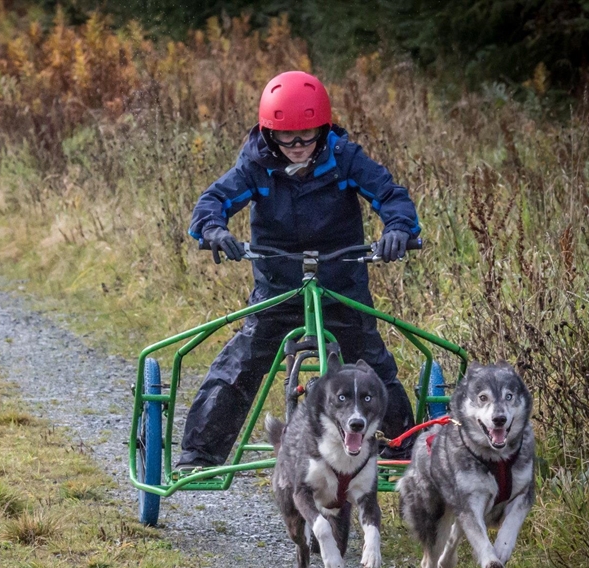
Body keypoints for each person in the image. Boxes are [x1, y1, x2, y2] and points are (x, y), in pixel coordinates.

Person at [179, 70, 420, 468]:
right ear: (268, 132)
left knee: (371, 364)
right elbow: (213, 201)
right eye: (285, 137)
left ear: (323, 130)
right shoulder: (256, 166)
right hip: (279, 289)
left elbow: (389, 194)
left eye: (306, 136)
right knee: (242, 361)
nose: (296, 146)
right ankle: (201, 452)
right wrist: (213, 229)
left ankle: (401, 445)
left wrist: (398, 229)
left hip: (341, 285)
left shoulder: (345, 160)